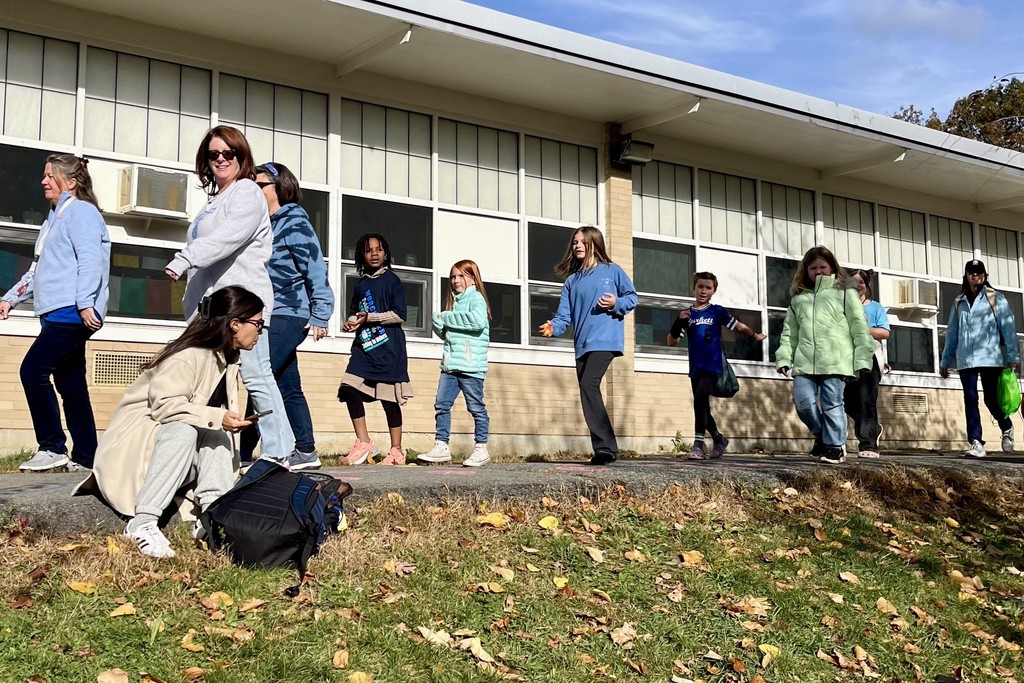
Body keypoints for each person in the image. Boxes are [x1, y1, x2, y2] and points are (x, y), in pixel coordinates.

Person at [77, 286, 262, 558]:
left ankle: (213, 516)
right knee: (187, 428)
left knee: (214, 431)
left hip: (169, 456)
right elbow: (166, 408)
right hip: (135, 450)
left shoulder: (226, 360)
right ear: (235, 324)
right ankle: (142, 523)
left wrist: (220, 421)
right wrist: (218, 417)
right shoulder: (189, 355)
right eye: (258, 324)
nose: (260, 331)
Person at [164, 126, 294, 465]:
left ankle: (281, 452)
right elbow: (207, 260)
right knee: (206, 381)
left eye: (228, 153)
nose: (221, 159)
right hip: (212, 311)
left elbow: (228, 238)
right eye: (213, 154)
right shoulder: (214, 201)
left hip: (243, 305)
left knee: (255, 375)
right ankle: (210, 458)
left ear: (241, 156)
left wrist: (185, 258)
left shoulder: (247, 192)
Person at [0, 154, 110, 473]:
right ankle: (88, 458)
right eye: (44, 175)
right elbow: (37, 270)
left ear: (71, 182)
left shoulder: (82, 213)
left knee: (32, 371)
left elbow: (91, 260)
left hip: (71, 313)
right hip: (54, 312)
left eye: (50, 175)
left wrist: (87, 302)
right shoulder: (53, 218)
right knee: (71, 383)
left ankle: (52, 447)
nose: (43, 181)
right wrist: (10, 299)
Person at [239, 161, 334, 471]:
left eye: (259, 185)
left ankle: (241, 452)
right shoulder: (263, 225)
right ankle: (305, 450)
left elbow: (315, 268)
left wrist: (321, 313)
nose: (253, 190)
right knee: (285, 383)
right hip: (267, 312)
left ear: (278, 188)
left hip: (290, 312)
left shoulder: (294, 222)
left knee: (258, 377)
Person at [540, 226, 636, 466]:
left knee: (588, 384)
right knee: (587, 390)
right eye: (574, 242)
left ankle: (604, 448)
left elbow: (631, 297)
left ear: (595, 243)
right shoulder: (572, 281)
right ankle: (608, 448)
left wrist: (615, 302)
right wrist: (553, 326)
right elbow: (564, 316)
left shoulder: (611, 271)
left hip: (605, 340)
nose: (578, 246)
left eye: (582, 241)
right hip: (582, 344)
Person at [775, 246, 874, 464]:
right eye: (813, 268)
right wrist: (784, 357)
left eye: (822, 267)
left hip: (835, 360)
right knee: (803, 403)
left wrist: (863, 358)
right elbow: (789, 332)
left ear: (832, 268)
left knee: (832, 404)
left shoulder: (845, 292)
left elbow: (859, 325)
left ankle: (835, 446)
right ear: (806, 270)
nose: (818, 272)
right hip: (804, 361)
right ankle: (821, 434)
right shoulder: (798, 299)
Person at [667, 271, 766, 460]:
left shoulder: (717, 311)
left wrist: (754, 336)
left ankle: (698, 445)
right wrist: (677, 322)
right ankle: (719, 439)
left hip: (713, 365)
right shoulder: (686, 314)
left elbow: (738, 326)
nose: (703, 291)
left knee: (700, 397)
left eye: (708, 288)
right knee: (701, 404)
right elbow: (671, 342)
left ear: (714, 290)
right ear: (694, 288)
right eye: (700, 287)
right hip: (695, 367)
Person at [339, 233, 412, 466]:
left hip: (389, 350)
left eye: (379, 249)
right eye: (369, 250)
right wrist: (352, 321)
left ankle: (397, 451)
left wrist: (370, 317)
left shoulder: (392, 281)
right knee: (348, 388)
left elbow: (400, 315)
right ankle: (363, 443)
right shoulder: (360, 285)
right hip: (364, 350)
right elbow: (354, 310)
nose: (374, 253)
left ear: (386, 254)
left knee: (388, 400)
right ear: (362, 255)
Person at [940, 259, 1019, 458]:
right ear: (966, 276)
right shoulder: (959, 302)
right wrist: (945, 361)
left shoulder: (995, 298)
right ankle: (976, 442)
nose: (975, 276)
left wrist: (1013, 357)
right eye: (971, 273)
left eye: (979, 273)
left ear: (984, 276)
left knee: (991, 400)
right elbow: (952, 333)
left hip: (990, 358)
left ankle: (1006, 426)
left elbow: (1008, 329)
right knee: (970, 399)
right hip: (966, 360)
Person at [420, 260, 492, 467]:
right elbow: (448, 334)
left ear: (473, 278)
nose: (456, 280)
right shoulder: (454, 302)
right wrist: (438, 323)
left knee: (476, 407)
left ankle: (481, 448)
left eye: (461, 276)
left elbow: (477, 322)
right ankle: (441, 445)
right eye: (453, 277)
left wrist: (447, 317)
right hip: (450, 366)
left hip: (471, 367)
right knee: (442, 404)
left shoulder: (476, 298)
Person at [843, 268, 890, 459]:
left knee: (866, 400)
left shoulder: (875, 307)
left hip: (870, 357)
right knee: (846, 401)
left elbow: (884, 333)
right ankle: (872, 427)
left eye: (860, 282)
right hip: (846, 358)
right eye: (853, 282)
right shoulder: (842, 305)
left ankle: (868, 443)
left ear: (866, 285)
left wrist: (861, 329)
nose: (857, 285)